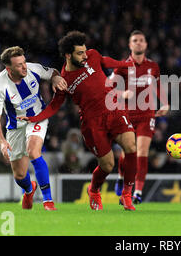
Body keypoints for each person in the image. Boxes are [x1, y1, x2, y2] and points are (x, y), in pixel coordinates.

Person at [18, 31, 139, 211]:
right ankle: (94, 190)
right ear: (68, 55)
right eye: (80, 53)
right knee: (107, 165)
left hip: (114, 109)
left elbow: (106, 61)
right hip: (93, 123)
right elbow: (54, 105)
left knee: (131, 147)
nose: (85, 55)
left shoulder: (92, 55)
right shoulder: (64, 79)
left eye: (85, 51)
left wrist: (126, 64)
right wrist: (34, 118)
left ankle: (127, 194)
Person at [0, 46, 67, 211]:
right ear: (8, 69)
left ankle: (48, 201)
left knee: (33, 151)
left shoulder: (34, 68)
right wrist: (2, 142)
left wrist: (54, 79)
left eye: (24, 62)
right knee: (19, 175)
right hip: (15, 127)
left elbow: (53, 72)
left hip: (38, 117)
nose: (24, 66)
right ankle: (29, 189)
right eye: (19, 65)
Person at [111, 30, 169, 204]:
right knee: (128, 152)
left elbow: (158, 86)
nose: (138, 43)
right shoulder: (121, 66)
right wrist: (122, 94)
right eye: (135, 40)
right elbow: (108, 88)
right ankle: (121, 178)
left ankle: (137, 192)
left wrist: (165, 103)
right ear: (130, 45)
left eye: (141, 40)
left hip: (146, 113)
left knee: (142, 152)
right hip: (127, 113)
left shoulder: (153, 66)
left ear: (146, 45)